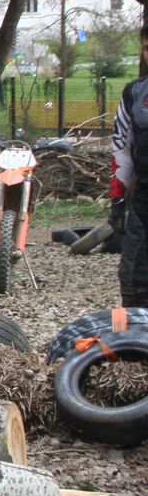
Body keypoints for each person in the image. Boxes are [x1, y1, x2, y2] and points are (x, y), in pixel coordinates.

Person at [109, 25, 148, 308]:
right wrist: (117, 201)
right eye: (147, 47)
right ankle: (135, 343)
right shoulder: (135, 92)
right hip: (144, 194)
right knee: (132, 273)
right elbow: (121, 148)